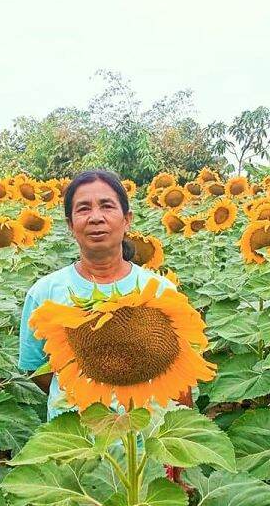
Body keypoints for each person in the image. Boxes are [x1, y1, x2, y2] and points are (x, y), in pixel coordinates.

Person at [18, 168, 177, 419]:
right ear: (71, 225)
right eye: (83, 209)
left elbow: (178, 374)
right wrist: (85, 389)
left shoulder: (160, 290)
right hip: (75, 440)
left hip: (147, 439)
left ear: (127, 220)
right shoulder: (44, 293)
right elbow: (38, 370)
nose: (96, 217)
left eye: (107, 206)